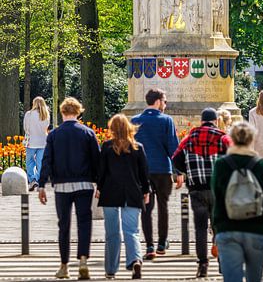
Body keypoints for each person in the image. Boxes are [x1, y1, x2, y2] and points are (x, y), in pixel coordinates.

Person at [38, 97, 100, 280]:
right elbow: (97, 160)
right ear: (78, 112)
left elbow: (47, 160)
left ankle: (64, 265)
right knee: (84, 222)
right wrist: (100, 184)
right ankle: (82, 260)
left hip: (62, 186)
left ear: (62, 112)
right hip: (84, 185)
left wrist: (41, 185)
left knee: (63, 225)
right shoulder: (88, 133)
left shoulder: (54, 135)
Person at [211, 122, 263, 282]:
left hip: (228, 227)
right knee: (255, 278)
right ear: (252, 139)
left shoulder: (221, 165)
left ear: (231, 139)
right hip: (256, 228)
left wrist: (216, 227)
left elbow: (217, 198)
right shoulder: (261, 165)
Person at [172, 108, 231, 278]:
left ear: (201, 120)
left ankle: (202, 265)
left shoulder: (189, 139)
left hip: (196, 189)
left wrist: (188, 171)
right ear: (215, 120)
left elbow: (176, 159)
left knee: (200, 228)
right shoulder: (222, 138)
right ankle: (222, 262)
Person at [131, 88, 183, 260]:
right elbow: (173, 148)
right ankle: (162, 243)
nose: (165, 104)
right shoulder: (166, 120)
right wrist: (178, 171)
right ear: (158, 101)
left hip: (142, 172)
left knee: (146, 209)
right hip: (162, 170)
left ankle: (149, 246)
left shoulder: (135, 120)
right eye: (165, 101)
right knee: (163, 206)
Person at [97, 114, 150, 280]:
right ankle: (135, 260)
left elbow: (101, 173)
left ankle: (111, 269)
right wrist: (146, 191)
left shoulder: (106, 147)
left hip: (111, 193)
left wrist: (99, 188)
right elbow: (144, 174)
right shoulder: (138, 148)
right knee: (132, 231)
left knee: (112, 233)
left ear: (112, 128)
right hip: (132, 193)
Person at [23, 97, 50, 191]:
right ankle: (38, 180)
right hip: (43, 142)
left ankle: (32, 179)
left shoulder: (29, 114)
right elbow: (46, 127)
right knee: (41, 163)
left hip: (31, 142)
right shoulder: (46, 114)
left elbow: (26, 128)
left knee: (30, 162)